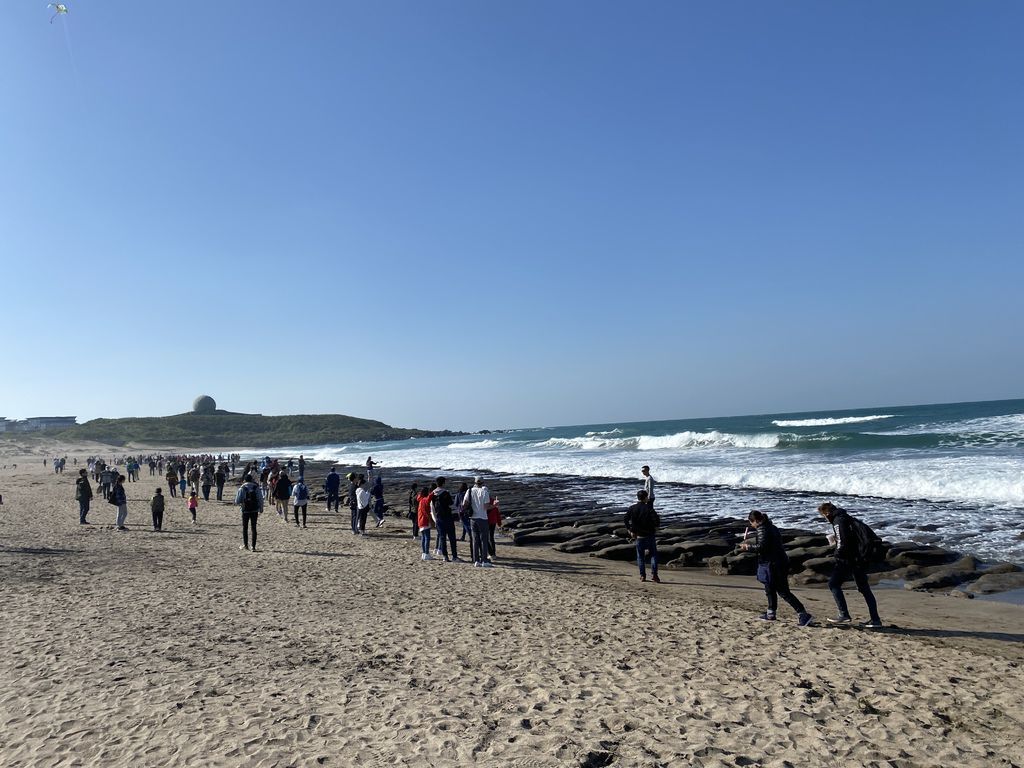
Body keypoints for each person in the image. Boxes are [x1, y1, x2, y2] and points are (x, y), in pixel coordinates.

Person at [741, 510, 813, 625]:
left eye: (751, 522)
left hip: (774, 564)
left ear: (755, 521)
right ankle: (771, 612)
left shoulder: (763, 529)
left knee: (783, 591)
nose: (751, 525)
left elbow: (762, 547)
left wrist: (747, 547)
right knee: (769, 588)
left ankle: (803, 613)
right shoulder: (771, 527)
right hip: (776, 562)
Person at [818, 502, 883, 628]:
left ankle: (844, 614)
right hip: (859, 558)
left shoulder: (838, 521)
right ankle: (875, 620)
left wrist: (836, 553)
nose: (825, 519)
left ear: (827, 513)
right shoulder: (847, 518)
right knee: (864, 589)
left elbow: (843, 543)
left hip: (847, 559)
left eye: (823, 516)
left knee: (833, 584)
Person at [624, 490, 660, 583]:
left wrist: (629, 530)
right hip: (650, 535)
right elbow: (657, 520)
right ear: (645, 497)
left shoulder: (632, 508)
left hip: (638, 535)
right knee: (653, 555)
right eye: (647, 497)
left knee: (640, 557)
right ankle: (654, 575)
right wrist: (655, 528)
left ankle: (642, 575)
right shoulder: (649, 508)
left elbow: (625, 519)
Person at [430, 477, 460, 562]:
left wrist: (435, 520)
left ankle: (445, 556)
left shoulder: (433, 494)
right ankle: (454, 556)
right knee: (452, 538)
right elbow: (451, 505)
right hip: (448, 517)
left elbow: (432, 508)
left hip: (439, 518)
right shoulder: (446, 493)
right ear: (443, 483)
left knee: (442, 538)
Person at [467, 476, 493, 568]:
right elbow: (486, 507)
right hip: (482, 517)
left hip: (473, 517)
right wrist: (495, 505)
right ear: (483, 482)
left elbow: (464, 503)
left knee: (475, 540)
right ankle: (484, 560)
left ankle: (476, 560)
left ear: (475, 482)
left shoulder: (469, 490)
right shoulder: (484, 491)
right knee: (484, 540)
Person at [235, 473, 263, 551]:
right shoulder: (256, 487)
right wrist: (261, 508)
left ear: (245, 480)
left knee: (245, 528)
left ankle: (245, 545)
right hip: (254, 510)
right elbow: (260, 498)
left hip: (245, 510)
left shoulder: (242, 488)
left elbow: (237, 501)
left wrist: (242, 503)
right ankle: (253, 546)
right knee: (254, 528)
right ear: (251, 480)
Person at [416, 488, 433, 561]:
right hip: (424, 520)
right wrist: (432, 492)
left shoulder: (420, 499)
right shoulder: (424, 500)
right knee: (427, 538)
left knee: (423, 538)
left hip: (420, 520)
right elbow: (429, 498)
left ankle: (424, 553)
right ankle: (426, 553)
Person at [487, 495, 502, 561]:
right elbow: (497, 512)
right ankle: (493, 553)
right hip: (493, 521)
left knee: (486, 538)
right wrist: (499, 523)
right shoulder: (493, 501)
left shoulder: (484, 501)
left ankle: (491, 553)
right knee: (491, 537)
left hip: (487, 521)